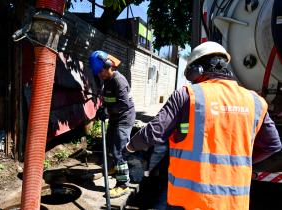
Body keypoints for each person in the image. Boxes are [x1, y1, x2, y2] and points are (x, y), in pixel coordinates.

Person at [125, 42, 282, 210]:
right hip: (234, 203)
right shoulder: (256, 102)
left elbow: (153, 132)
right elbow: (273, 145)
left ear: (198, 69)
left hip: (190, 201)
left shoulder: (188, 95)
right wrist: (244, 161)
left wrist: (129, 147)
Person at [89, 50, 136, 198]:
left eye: (101, 71)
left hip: (124, 118)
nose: (99, 75)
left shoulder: (118, 81)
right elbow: (108, 99)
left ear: (109, 66)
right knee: (110, 143)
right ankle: (115, 167)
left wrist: (107, 113)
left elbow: (123, 105)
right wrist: (102, 109)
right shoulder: (107, 80)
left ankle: (123, 184)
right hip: (115, 117)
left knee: (119, 150)